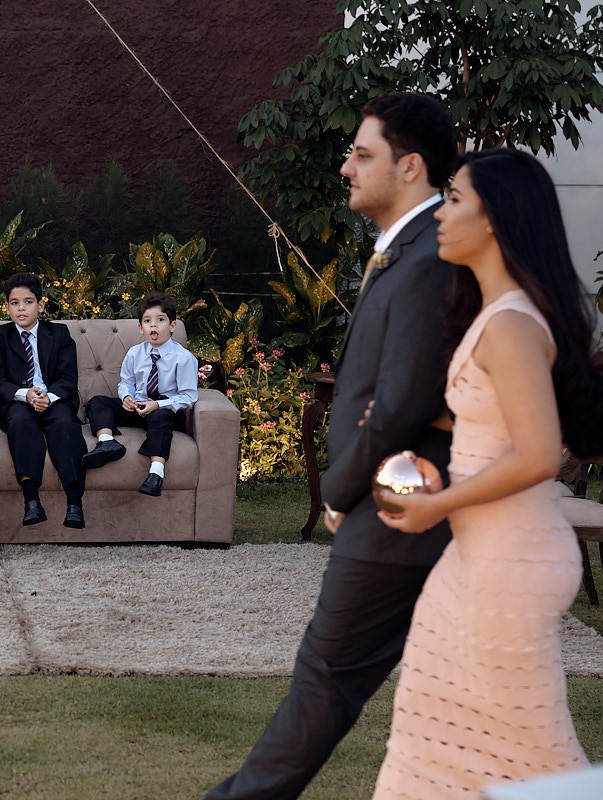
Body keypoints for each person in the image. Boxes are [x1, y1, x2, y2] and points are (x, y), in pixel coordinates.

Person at [203, 92, 459, 799]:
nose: (346, 167)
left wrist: (343, 491)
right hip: (392, 498)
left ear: (410, 167)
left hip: (399, 505)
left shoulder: (431, 256)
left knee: (325, 678)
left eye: (362, 154)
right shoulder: (404, 250)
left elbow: (402, 402)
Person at [370, 148, 603, 797]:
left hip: (512, 561)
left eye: (454, 199)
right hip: (483, 557)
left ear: (495, 219)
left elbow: (538, 455)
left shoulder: (510, 324)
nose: (439, 212)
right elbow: (494, 426)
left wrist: (436, 504)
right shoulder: (498, 316)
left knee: (531, 756)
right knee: (432, 740)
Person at [0, 272, 88, 528]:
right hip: (18, 402)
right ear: (7, 307)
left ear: (41, 306)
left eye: (28, 302)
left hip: (54, 400)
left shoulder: (59, 333)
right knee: (21, 424)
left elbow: (68, 378)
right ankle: (31, 500)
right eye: (15, 303)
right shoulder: (0, 336)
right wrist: (26, 394)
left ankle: (74, 502)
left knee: (64, 424)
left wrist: (48, 398)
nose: (21, 308)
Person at [82, 290, 197, 496]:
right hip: (138, 406)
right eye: (147, 321)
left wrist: (157, 405)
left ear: (172, 326)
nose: (153, 325)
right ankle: (107, 443)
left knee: (161, 417)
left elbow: (188, 397)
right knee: (98, 402)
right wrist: (127, 398)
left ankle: (156, 473)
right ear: (140, 328)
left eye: (160, 320)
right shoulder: (135, 353)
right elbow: (126, 382)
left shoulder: (184, 358)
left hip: (164, 409)